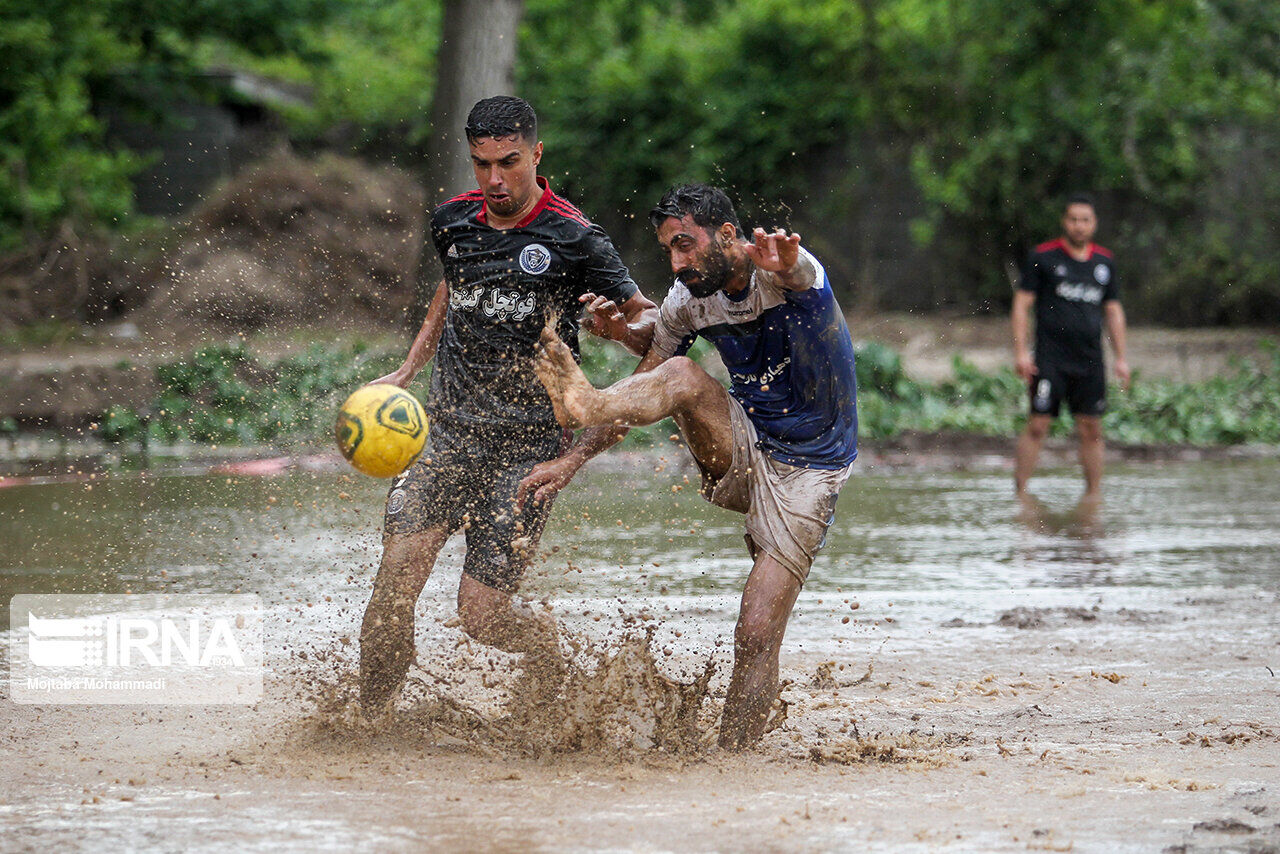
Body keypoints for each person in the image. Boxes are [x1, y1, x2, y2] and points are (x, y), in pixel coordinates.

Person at [519, 184, 858, 749]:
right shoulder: (687, 300)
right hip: (742, 442)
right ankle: (588, 402)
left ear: (726, 234)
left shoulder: (785, 273)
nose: (676, 263)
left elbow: (802, 274)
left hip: (811, 469)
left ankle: (733, 759)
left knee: (757, 631)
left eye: (684, 245)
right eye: (668, 251)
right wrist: (573, 459)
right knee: (678, 375)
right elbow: (649, 378)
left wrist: (791, 263)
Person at [358, 96, 657, 714]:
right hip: (445, 437)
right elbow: (453, 284)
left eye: (509, 162)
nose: (495, 179)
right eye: (482, 163)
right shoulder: (451, 222)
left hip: (528, 452)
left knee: (482, 617)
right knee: (392, 589)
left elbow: (655, 329)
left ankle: (546, 655)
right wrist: (411, 367)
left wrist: (617, 331)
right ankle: (367, 724)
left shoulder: (575, 236)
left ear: (536, 154)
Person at [1012, 193, 1130, 499]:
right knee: (1038, 425)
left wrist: (1121, 358)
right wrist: (1021, 352)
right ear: (1065, 221)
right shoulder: (1043, 257)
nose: (1079, 226)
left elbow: (1113, 310)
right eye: (1074, 219)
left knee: (1091, 428)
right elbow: (1022, 305)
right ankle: (1020, 495)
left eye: (1085, 220)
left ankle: (1093, 499)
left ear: (1094, 223)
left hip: (1090, 360)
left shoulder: (1104, 261)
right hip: (1049, 359)